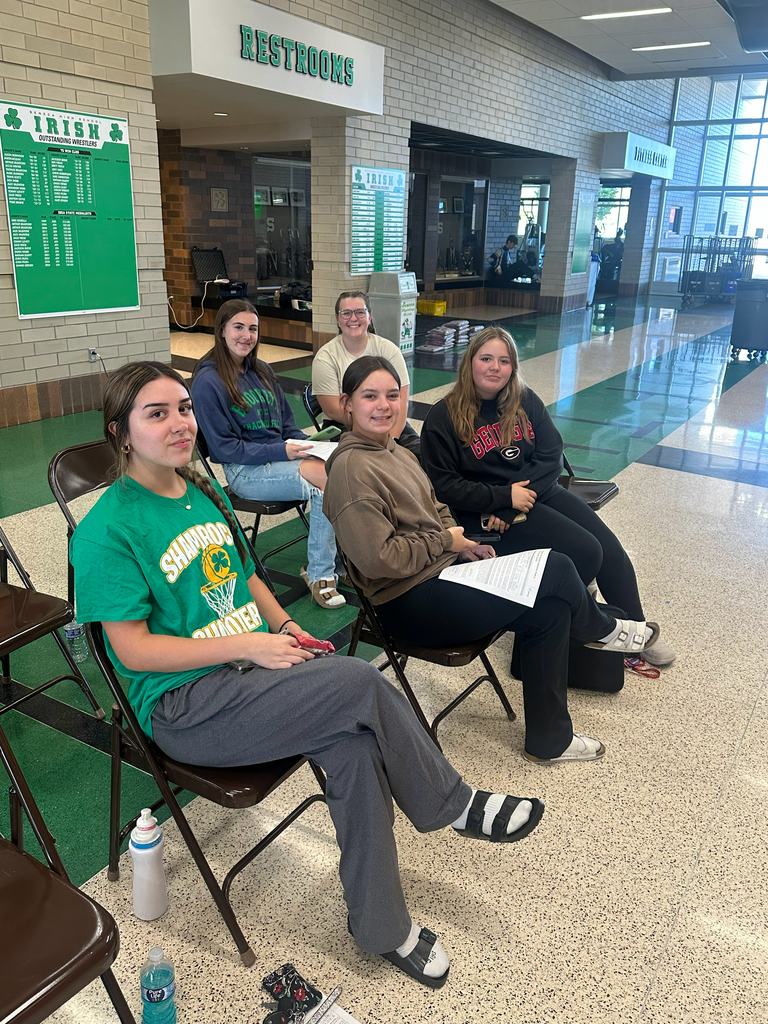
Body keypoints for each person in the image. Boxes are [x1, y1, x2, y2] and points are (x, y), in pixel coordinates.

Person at [70, 360, 547, 990]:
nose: (180, 423)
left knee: (351, 743)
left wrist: (282, 629)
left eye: (184, 408)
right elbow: (131, 652)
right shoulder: (107, 529)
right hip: (185, 705)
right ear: (121, 433)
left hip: (249, 669)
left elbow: (246, 578)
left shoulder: (201, 493)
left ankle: (381, 927)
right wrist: (249, 645)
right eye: (156, 414)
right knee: (357, 682)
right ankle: (452, 806)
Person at [323, 356, 661, 766]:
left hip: (444, 573)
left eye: (392, 396)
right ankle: (602, 628)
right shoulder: (350, 470)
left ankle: (549, 739)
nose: (384, 406)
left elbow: (438, 506)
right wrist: (444, 541)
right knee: (555, 566)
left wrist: (461, 544)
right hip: (406, 601)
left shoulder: (396, 451)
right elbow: (379, 560)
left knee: (551, 610)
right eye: (370, 396)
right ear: (347, 403)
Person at [419, 327, 676, 667]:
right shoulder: (443, 417)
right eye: (486, 359)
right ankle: (585, 622)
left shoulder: (523, 399)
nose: (495, 367)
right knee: (585, 553)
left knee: (611, 552)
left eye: (504, 361)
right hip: (484, 512)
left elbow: (552, 454)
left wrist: (516, 500)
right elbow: (445, 487)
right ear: (469, 363)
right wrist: (503, 498)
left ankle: (635, 636)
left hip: (533, 496)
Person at [190, 299, 344, 610]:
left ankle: (343, 556)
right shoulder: (208, 381)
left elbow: (287, 425)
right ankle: (319, 573)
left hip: (280, 459)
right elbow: (225, 449)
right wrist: (284, 450)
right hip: (245, 471)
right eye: (238, 327)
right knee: (325, 479)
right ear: (221, 331)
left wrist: (311, 444)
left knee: (344, 463)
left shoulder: (262, 371)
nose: (246, 335)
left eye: (253, 329)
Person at [311, 290, 421, 457]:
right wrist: (370, 424)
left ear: (369, 317)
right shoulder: (326, 357)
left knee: (421, 456)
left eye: (360, 312)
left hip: (387, 419)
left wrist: (392, 442)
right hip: (345, 424)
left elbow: (402, 399)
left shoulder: (389, 350)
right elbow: (333, 409)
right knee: (366, 462)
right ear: (337, 319)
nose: (353, 318)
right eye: (346, 313)